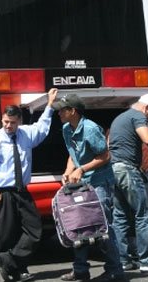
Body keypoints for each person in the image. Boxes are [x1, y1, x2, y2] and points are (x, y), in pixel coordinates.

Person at [0, 88, 58, 282]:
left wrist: (49, 104)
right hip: (4, 192)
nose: (8, 126)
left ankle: (9, 260)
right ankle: (16, 270)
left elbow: (42, 127)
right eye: (6, 122)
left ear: (19, 122)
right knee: (8, 233)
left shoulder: (25, 134)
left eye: (12, 123)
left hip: (22, 191)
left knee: (34, 230)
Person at [53, 94, 124, 282]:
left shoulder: (91, 129)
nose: (59, 112)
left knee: (103, 227)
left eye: (62, 109)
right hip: (82, 183)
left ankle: (115, 270)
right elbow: (72, 154)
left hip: (99, 182)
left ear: (73, 111)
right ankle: (81, 270)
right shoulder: (67, 128)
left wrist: (81, 169)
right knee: (79, 226)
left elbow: (105, 156)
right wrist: (68, 172)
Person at [108, 94, 148, 273]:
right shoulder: (137, 116)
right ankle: (147, 260)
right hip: (128, 169)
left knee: (120, 216)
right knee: (143, 214)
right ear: (147, 108)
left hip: (114, 168)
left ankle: (123, 260)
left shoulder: (120, 117)